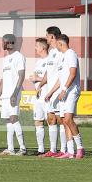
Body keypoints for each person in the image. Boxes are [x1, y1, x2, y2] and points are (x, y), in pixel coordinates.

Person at [46, 34, 84, 159]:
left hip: (71, 91)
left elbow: (72, 74)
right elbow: (60, 79)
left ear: (60, 44)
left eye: (56, 43)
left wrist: (64, 89)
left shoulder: (71, 54)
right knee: (64, 121)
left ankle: (80, 148)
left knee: (68, 119)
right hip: (64, 92)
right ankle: (70, 151)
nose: (55, 46)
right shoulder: (62, 57)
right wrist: (51, 92)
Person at [0, 34, 27, 155]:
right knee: (8, 121)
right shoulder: (5, 59)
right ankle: (10, 149)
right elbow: (4, 79)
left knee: (14, 119)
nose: (2, 44)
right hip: (5, 95)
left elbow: (21, 75)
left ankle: (22, 148)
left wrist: (15, 93)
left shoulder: (19, 57)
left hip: (13, 94)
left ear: (9, 42)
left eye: (3, 42)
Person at [38, 26, 65, 156]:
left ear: (52, 37)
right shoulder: (52, 53)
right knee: (51, 119)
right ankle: (53, 150)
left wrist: (58, 90)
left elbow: (62, 74)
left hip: (58, 91)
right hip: (50, 91)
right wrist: (41, 85)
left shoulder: (61, 52)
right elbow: (48, 73)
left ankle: (64, 149)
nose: (46, 38)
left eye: (47, 36)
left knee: (61, 119)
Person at [29, 38, 52, 156]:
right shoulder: (38, 62)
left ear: (43, 47)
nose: (35, 48)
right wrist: (34, 79)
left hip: (48, 96)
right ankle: (40, 150)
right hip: (38, 97)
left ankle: (53, 149)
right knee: (38, 122)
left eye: (37, 46)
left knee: (51, 122)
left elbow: (50, 77)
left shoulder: (50, 60)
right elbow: (36, 77)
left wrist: (37, 78)